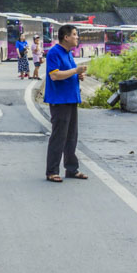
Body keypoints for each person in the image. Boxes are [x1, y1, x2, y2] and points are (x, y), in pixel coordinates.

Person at [44, 24, 89, 182]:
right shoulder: (54, 53)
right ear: (66, 37)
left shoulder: (68, 53)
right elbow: (55, 75)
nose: (77, 37)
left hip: (71, 99)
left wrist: (77, 76)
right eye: (75, 34)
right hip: (59, 100)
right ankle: (52, 171)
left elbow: (67, 73)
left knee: (71, 136)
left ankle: (71, 169)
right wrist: (75, 71)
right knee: (59, 136)